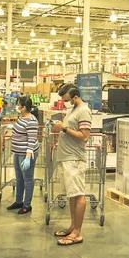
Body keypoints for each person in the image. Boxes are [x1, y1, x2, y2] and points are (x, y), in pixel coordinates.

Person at [51, 84, 92, 246]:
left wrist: (64, 128)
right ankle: (73, 226)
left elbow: (84, 136)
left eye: (67, 99)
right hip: (67, 158)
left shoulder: (83, 111)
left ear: (75, 97)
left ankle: (77, 233)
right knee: (72, 195)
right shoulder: (73, 110)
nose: (65, 102)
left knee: (78, 194)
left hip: (74, 159)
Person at [7, 95, 40, 215]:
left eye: (19, 104)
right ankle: (18, 201)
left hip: (26, 154)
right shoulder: (22, 117)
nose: (17, 106)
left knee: (28, 179)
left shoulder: (31, 121)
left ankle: (27, 205)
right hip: (17, 152)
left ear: (24, 107)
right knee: (19, 177)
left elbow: (31, 140)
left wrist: (28, 157)